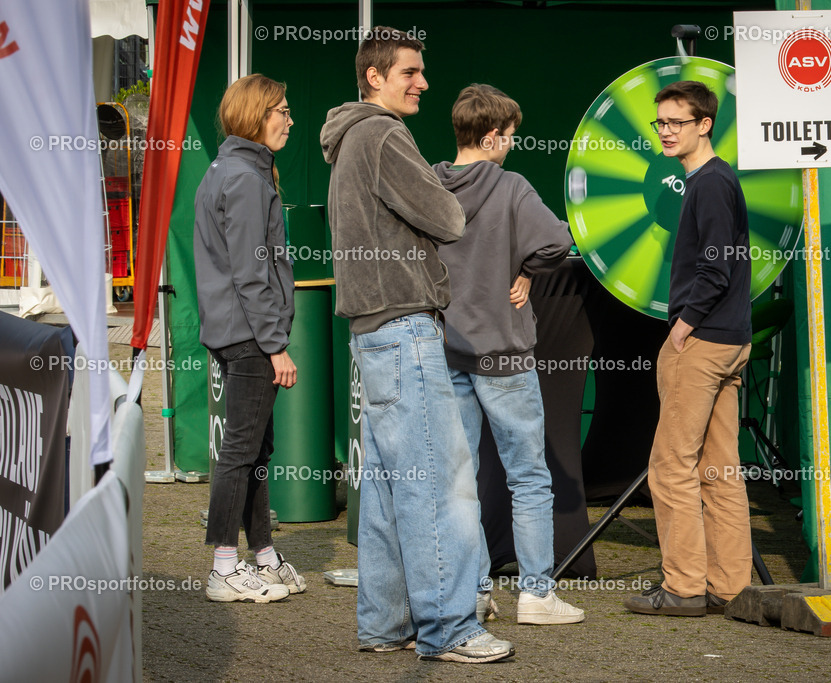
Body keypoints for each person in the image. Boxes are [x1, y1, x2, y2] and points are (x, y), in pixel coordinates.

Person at [320, 28, 514, 663]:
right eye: (410, 72)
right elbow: (450, 218)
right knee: (440, 482)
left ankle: (385, 622)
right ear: (374, 77)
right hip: (403, 328)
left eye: (422, 71)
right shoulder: (382, 134)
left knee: (383, 485)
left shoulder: (349, 137)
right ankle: (451, 627)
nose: (423, 82)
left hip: (373, 332)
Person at [432, 84, 582, 626]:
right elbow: (558, 243)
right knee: (529, 477)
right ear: (493, 136)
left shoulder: (429, 182)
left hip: (446, 351)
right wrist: (524, 272)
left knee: (460, 479)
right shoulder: (510, 186)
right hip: (505, 355)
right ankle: (537, 594)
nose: (512, 145)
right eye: (511, 136)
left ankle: (471, 594)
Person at [624, 80, 752, 617]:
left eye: (678, 121)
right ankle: (728, 587)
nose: (667, 131)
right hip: (728, 340)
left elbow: (716, 266)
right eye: (661, 122)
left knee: (670, 466)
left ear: (705, 125)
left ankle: (682, 589)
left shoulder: (709, 183)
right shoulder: (715, 181)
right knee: (719, 468)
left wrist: (684, 325)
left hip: (702, 342)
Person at [194, 74, 307, 603]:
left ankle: (260, 553)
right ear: (254, 115)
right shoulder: (243, 178)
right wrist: (275, 345)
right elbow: (250, 273)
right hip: (248, 336)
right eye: (281, 110)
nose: (289, 119)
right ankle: (223, 564)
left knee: (255, 446)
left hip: (240, 333)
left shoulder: (235, 169)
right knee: (240, 450)